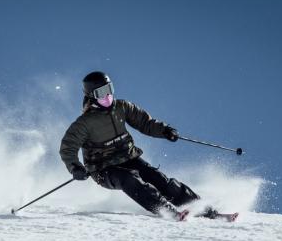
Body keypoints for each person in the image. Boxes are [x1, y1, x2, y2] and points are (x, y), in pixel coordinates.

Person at [60, 71, 214, 221]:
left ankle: (204, 209)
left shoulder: (122, 107)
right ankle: (166, 210)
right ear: (91, 95)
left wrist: (165, 131)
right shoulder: (84, 123)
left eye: (109, 89)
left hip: (128, 157)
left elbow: (145, 123)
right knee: (129, 179)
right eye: (101, 92)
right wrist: (75, 167)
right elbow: (68, 148)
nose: (107, 96)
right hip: (103, 169)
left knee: (158, 178)